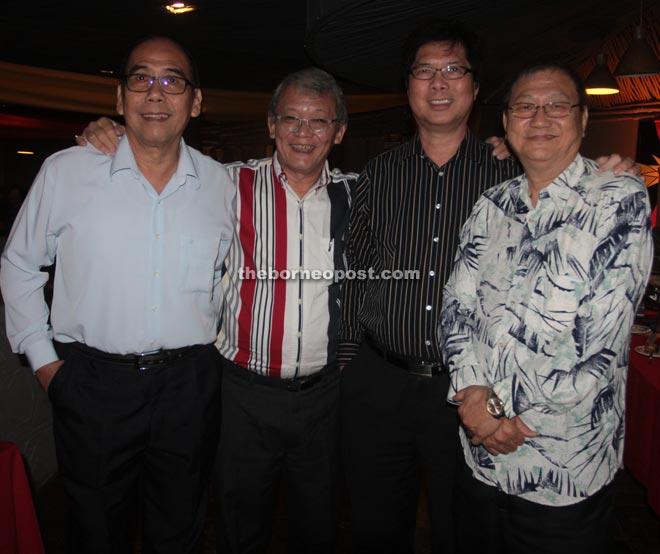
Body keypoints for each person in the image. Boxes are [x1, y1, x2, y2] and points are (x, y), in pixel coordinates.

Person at [337, 19, 638, 554]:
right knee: (374, 528)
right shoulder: (376, 174)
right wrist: (345, 369)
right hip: (381, 383)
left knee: (462, 532)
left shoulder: (503, 172)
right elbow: (353, 275)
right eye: (424, 71)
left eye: (453, 70)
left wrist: (616, 170)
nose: (438, 83)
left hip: (461, 395)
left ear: (475, 90)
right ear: (407, 87)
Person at [77, 67, 354, 554]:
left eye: (319, 122)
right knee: (238, 523)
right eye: (290, 119)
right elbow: (155, 162)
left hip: (325, 398)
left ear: (340, 131)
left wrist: (501, 154)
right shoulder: (223, 183)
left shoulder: (361, 194)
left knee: (320, 524)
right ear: (271, 125)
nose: (303, 133)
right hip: (242, 394)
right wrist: (115, 132)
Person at [0, 36, 235, 553]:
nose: (156, 92)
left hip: (190, 387)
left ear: (195, 102)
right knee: (96, 532)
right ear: (119, 98)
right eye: (141, 78)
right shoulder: (67, 172)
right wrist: (46, 365)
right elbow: (19, 263)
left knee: (180, 530)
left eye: (172, 80)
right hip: (93, 386)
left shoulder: (223, 185)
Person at [441, 62, 652, 554]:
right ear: (506, 124)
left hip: (562, 467)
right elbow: (458, 304)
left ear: (582, 121)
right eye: (525, 106)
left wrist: (496, 414)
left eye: (557, 105)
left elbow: (596, 344)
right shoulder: (489, 205)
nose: (540, 117)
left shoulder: (619, 200)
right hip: (480, 460)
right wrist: (473, 399)